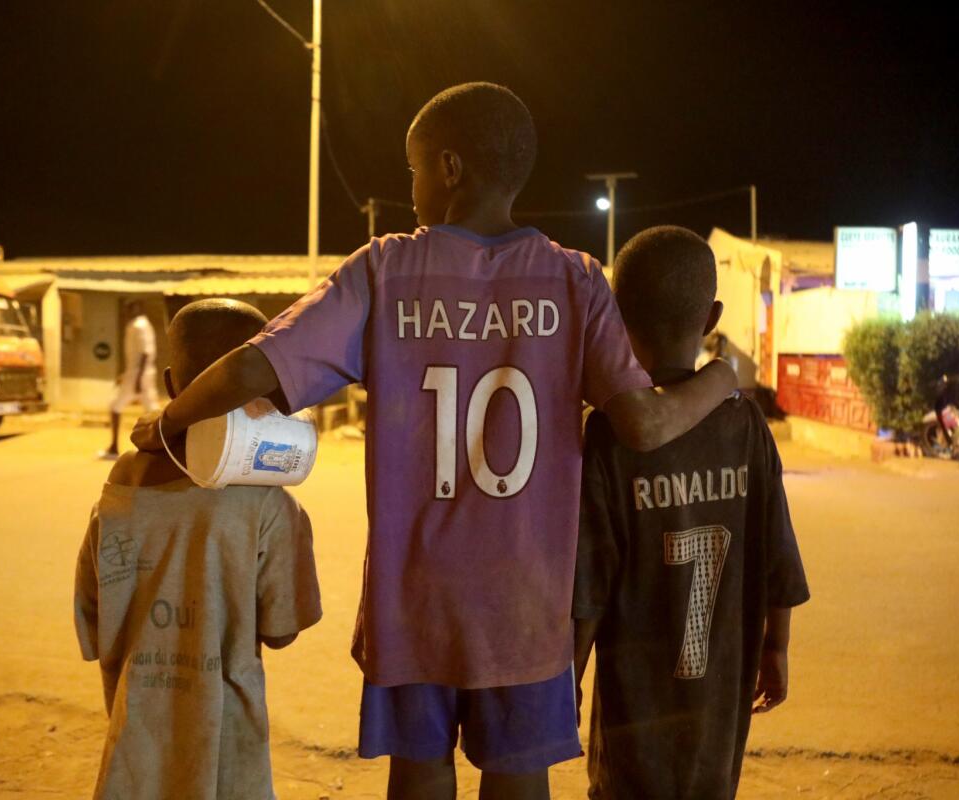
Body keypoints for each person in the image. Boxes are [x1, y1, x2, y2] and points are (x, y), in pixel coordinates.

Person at [131, 83, 736, 799]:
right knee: (518, 776)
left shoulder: (384, 270)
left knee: (418, 773)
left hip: (412, 600)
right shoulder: (575, 280)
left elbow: (255, 365)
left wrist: (167, 423)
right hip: (525, 606)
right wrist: (724, 377)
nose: (410, 188)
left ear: (450, 169)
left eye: (412, 169)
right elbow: (644, 422)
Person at [573, 226, 810, 799]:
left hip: (634, 720)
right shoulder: (746, 425)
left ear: (619, 321)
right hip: (717, 711)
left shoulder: (610, 434)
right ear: (712, 318)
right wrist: (775, 647)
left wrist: (567, 682)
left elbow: (589, 585)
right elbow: (777, 553)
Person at [75, 298, 321, 799]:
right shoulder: (270, 506)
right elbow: (281, 631)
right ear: (267, 391)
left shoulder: (118, 487)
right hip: (227, 762)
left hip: (134, 756)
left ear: (169, 385)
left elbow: (94, 618)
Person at [101, 299, 159, 459]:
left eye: (130, 309)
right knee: (152, 410)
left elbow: (145, 353)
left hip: (139, 374)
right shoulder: (142, 324)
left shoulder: (138, 326)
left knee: (116, 407)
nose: (127, 312)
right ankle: (160, 449)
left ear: (137, 309)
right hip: (138, 373)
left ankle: (114, 447)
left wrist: (138, 379)